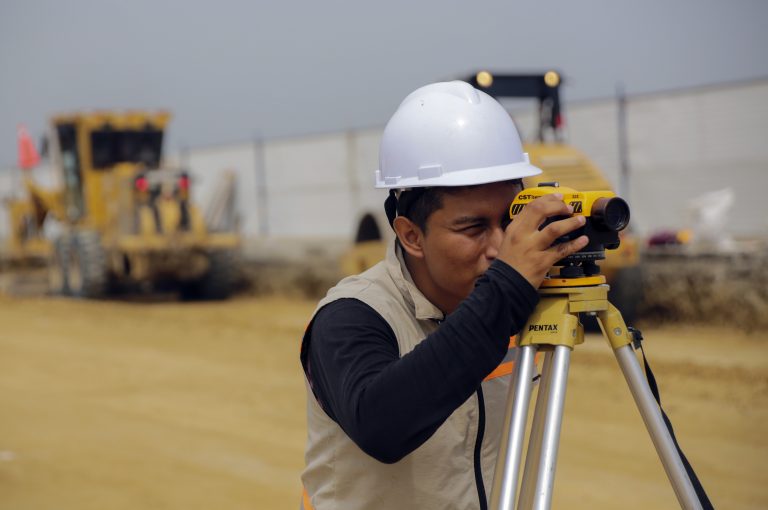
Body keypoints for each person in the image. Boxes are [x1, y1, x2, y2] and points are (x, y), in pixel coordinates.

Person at [299, 81, 588, 510]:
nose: (498, 246)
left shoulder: (513, 300)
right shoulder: (350, 316)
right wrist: (505, 288)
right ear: (411, 235)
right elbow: (382, 425)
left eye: (508, 220)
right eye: (473, 228)